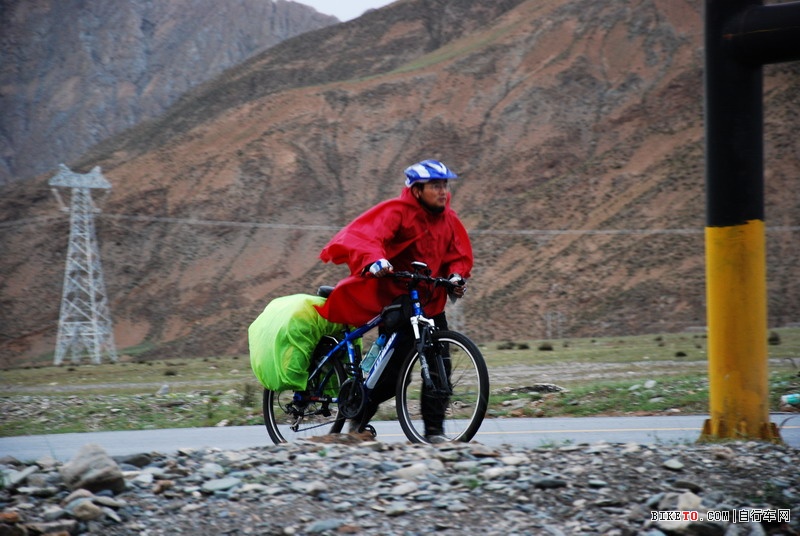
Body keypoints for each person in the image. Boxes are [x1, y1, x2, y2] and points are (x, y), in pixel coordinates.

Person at [315, 159, 474, 443]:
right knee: (391, 376)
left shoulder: (449, 220)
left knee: (440, 369)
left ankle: (434, 434)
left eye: (444, 185)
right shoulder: (397, 212)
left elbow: (458, 254)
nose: (443, 191)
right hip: (400, 302)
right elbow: (369, 236)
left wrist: (456, 276)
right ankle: (358, 423)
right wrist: (375, 260)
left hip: (431, 304)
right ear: (416, 190)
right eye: (435, 186)